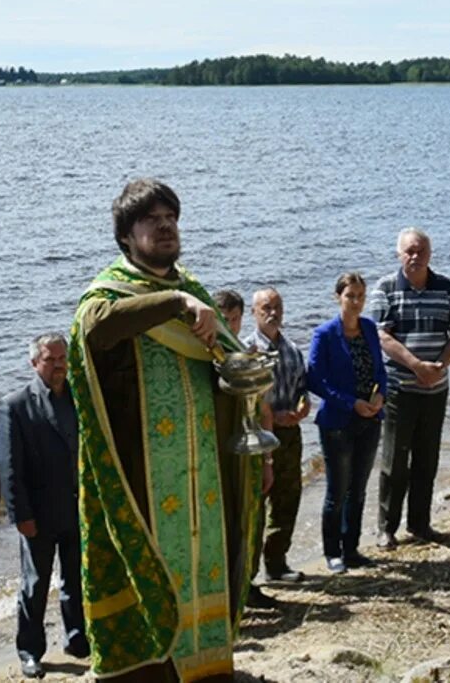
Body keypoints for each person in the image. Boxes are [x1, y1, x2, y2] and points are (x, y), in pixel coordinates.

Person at [67, 178, 261, 681]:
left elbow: (228, 363)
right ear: (126, 236)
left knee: (205, 573)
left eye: (170, 216)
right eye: (151, 219)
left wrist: (247, 375)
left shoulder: (194, 290)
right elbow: (94, 328)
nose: (165, 225)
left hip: (205, 478)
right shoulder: (110, 291)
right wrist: (174, 303)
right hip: (142, 480)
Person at [0, 333, 88, 679]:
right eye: (51, 359)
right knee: (35, 585)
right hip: (39, 514)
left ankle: (77, 638)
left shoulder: (78, 398)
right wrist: (21, 516)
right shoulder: (16, 405)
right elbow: (9, 468)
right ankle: (30, 651)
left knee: (75, 579)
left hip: (77, 509)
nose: (60, 365)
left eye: (63, 358)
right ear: (35, 363)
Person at [369, 228, 450, 548]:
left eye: (421, 250)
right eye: (409, 251)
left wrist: (439, 367)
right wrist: (416, 366)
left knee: (427, 458)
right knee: (395, 460)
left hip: (435, 389)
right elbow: (382, 337)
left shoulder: (447, 287)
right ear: (399, 254)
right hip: (400, 388)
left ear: (430, 254)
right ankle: (386, 527)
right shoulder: (385, 288)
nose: (415, 256)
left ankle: (420, 524)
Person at [307, 273, 387, 573]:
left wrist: (380, 396)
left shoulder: (368, 327)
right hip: (338, 422)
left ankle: (351, 548)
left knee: (359, 488)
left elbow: (380, 370)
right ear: (338, 297)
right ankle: (332, 552)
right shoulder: (324, 334)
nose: (356, 302)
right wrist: (351, 402)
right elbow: (316, 380)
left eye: (361, 296)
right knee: (337, 490)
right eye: (350, 296)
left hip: (370, 418)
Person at [212, 288, 277, 610]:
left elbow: (263, 409)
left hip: (250, 452)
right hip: (220, 458)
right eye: (224, 319)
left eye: (235, 319)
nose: (231, 325)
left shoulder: (246, 353)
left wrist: (268, 460)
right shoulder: (205, 357)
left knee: (253, 519)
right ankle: (223, 589)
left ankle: (248, 582)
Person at [244, 287, 310, 583]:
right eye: (266, 308)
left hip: (289, 434)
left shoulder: (292, 350)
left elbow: (301, 389)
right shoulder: (246, 350)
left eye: (277, 307)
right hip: (257, 439)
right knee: (255, 506)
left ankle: (277, 563)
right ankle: (248, 573)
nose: (273, 313)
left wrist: (303, 405)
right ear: (253, 312)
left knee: (288, 499)